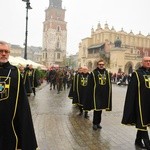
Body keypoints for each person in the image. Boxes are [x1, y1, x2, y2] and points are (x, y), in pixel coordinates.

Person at [0, 41, 38, 149]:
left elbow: (21, 99)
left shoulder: (14, 72)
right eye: (1, 51)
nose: (3, 54)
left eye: (6, 51)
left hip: (9, 119)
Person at [122, 56, 150, 149]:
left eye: (149, 61)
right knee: (142, 121)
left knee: (145, 122)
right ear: (142, 63)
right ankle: (147, 143)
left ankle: (138, 140)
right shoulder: (137, 74)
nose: (148, 62)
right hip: (140, 103)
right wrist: (131, 104)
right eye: (146, 61)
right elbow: (132, 91)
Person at [84, 59, 112, 130]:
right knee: (96, 109)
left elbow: (109, 84)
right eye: (100, 64)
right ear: (97, 65)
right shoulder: (94, 73)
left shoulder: (106, 73)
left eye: (102, 64)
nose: (101, 65)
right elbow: (90, 85)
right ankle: (94, 123)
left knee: (100, 110)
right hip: (96, 94)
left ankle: (98, 123)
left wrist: (108, 94)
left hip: (103, 95)